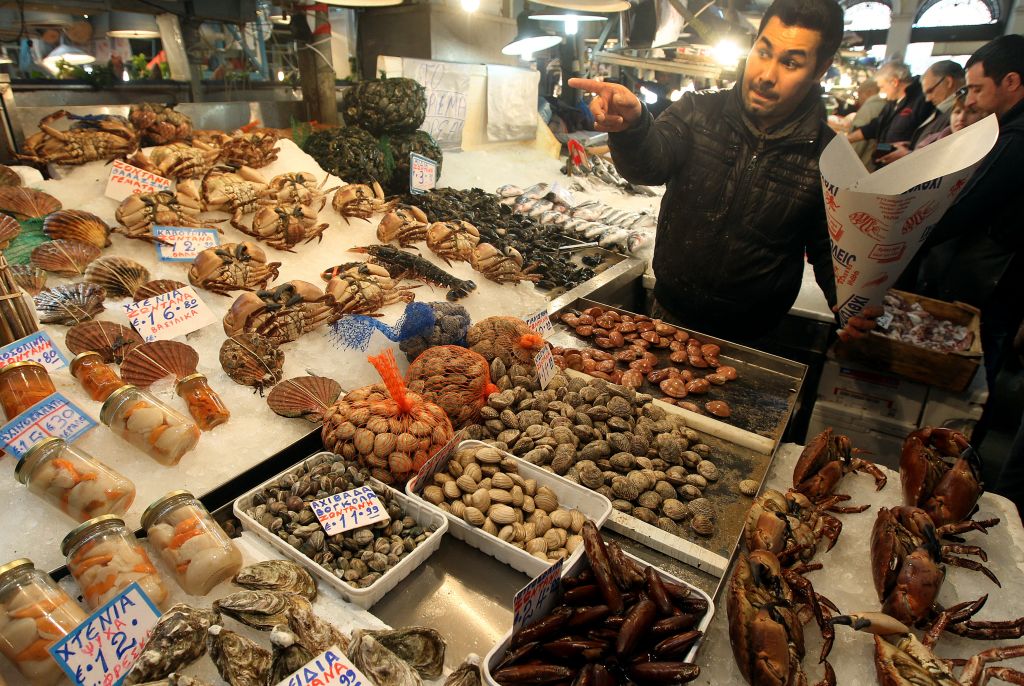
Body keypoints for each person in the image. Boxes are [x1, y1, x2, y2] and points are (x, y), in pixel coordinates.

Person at [566, 0, 877, 342]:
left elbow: (830, 249)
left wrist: (849, 305)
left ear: (820, 69)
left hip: (754, 335)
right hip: (668, 313)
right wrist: (633, 126)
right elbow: (649, 166)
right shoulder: (696, 111)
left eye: (790, 63)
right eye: (763, 52)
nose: (766, 75)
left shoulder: (829, 158)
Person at [876, 60, 965, 164]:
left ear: (948, 82)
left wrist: (909, 154)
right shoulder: (942, 108)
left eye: (930, 91)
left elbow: (945, 153)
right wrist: (913, 144)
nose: (928, 99)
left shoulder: (959, 111)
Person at [846, 61, 934, 161]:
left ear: (894, 82)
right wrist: (848, 139)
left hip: (904, 164)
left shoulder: (921, 102)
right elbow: (876, 126)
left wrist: (911, 151)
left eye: (882, 87)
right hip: (885, 160)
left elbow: (926, 136)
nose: (881, 92)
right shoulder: (892, 101)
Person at [915, 90, 984, 147]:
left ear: (984, 116)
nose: (961, 118)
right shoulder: (929, 143)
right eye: (957, 112)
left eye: (971, 112)